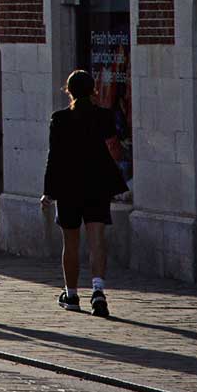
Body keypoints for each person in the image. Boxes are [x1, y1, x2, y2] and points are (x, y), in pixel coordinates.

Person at [41, 68, 128, 317]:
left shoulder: (59, 119)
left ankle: (71, 294)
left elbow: (54, 157)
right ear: (93, 91)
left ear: (68, 91)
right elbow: (113, 148)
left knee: (70, 242)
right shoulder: (103, 116)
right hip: (97, 185)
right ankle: (98, 291)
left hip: (68, 186)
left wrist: (48, 191)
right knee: (96, 239)